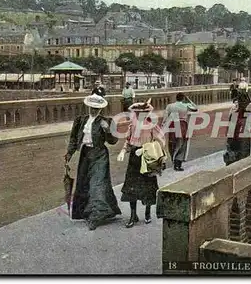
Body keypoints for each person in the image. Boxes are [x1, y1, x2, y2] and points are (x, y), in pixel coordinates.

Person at [64, 94, 122, 231]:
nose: (94, 110)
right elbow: (73, 138)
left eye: (96, 108)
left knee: (97, 184)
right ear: (88, 107)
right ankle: (88, 212)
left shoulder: (106, 121)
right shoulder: (81, 120)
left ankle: (96, 217)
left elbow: (113, 141)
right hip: (85, 154)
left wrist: (107, 129)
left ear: (101, 109)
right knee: (83, 184)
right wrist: (69, 153)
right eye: (92, 108)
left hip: (100, 154)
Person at [117, 100, 166, 228]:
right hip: (134, 157)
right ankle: (133, 215)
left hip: (147, 158)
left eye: (143, 113)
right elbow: (128, 141)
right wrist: (123, 151)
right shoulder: (132, 125)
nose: (140, 115)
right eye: (137, 113)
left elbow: (161, 142)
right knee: (131, 187)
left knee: (147, 187)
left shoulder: (151, 125)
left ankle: (148, 213)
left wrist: (144, 149)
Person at [163, 93, 198, 171]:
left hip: (172, 124)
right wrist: (189, 100)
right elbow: (195, 108)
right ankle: (178, 162)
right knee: (182, 144)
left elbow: (165, 117)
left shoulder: (170, 106)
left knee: (172, 143)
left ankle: (173, 158)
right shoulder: (186, 105)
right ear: (183, 98)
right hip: (182, 124)